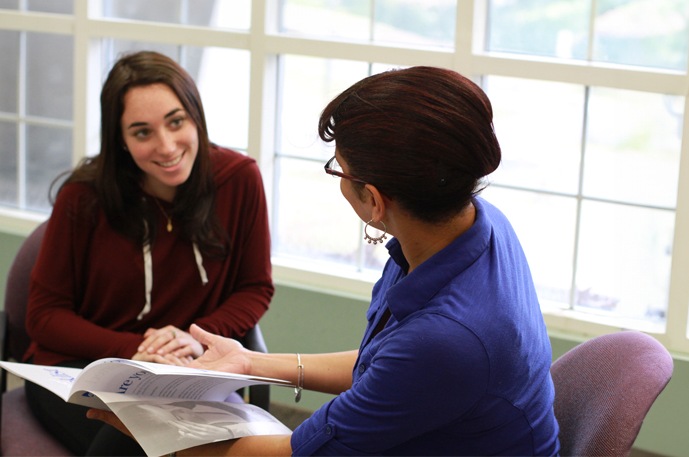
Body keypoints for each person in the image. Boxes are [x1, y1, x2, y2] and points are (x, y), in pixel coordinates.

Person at [91, 66, 561, 456]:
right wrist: (250, 362)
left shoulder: (446, 340)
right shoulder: (473, 223)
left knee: (123, 448)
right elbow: (387, 365)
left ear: (374, 201)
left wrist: (162, 436)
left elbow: (295, 454)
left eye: (338, 168)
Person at [25, 51, 274, 456]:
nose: (166, 145)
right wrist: (135, 351)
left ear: (196, 116)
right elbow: (43, 315)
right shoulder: (82, 197)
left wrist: (193, 337)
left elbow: (254, 287)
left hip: (185, 371)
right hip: (84, 368)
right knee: (140, 442)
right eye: (142, 132)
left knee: (181, 440)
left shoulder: (239, 180)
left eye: (176, 122)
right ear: (120, 140)